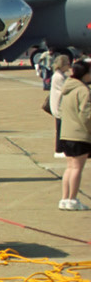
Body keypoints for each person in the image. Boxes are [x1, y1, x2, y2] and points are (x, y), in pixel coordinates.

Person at [58, 58, 91, 211]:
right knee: (77, 168)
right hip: (79, 135)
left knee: (70, 168)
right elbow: (86, 115)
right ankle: (73, 199)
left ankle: (65, 198)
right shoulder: (83, 90)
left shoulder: (68, 88)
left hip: (66, 134)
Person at [48, 53, 73, 159]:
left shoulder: (59, 75)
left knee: (61, 129)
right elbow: (65, 89)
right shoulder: (58, 76)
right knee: (60, 129)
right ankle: (59, 149)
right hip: (59, 106)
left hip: (58, 105)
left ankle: (61, 148)